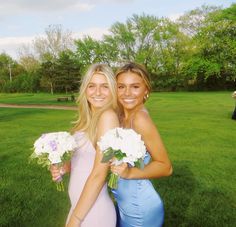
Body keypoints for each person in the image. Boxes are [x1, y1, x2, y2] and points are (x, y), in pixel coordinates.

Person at [50, 63, 119, 227]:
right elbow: (81, 162)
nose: (97, 92)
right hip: (80, 206)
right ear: (85, 89)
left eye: (104, 87)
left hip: (94, 212)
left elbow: (99, 174)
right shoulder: (85, 120)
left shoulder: (108, 117)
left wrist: (75, 220)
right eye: (92, 86)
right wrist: (62, 167)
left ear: (112, 90)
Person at [110, 62, 173, 227]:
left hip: (139, 208)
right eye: (121, 87)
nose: (127, 93)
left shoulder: (140, 119)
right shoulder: (121, 115)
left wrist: (130, 173)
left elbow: (166, 167)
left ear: (146, 90)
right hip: (124, 203)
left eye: (135, 86)